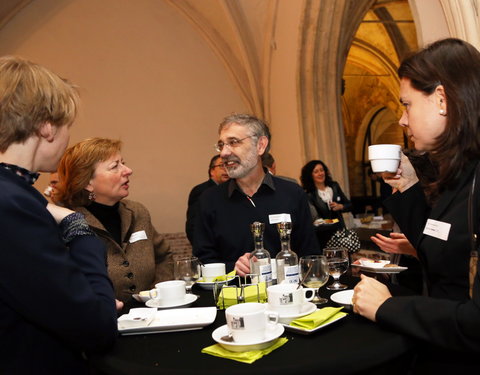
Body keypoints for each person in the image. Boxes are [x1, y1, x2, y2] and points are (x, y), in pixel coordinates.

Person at [353, 38, 480, 372]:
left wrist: (388, 307)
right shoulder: (460, 172)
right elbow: (439, 242)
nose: (402, 120)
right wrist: (407, 186)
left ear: (441, 99)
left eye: (407, 104)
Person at [0, 56, 117, 374]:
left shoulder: (20, 194)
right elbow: (95, 327)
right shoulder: (11, 204)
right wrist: (77, 227)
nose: (67, 139)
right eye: (68, 126)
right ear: (46, 126)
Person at [193, 113, 320, 274]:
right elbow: (202, 262)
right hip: (233, 295)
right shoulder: (209, 200)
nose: (224, 153)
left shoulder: (293, 194)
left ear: (260, 145)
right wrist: (234, 268)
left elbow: (310, 254)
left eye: (233, 142)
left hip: (287, 294)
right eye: (221, 145)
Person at [55, 138, 174, 306]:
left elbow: (163, 257)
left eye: (123, 163)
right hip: (101, 324)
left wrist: (157, 296)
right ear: (87, 182)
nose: (128, 170)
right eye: (114, 166)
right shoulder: (68, 223)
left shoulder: (137, 212)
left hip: (153, 317)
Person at [300, 160, 352, 248]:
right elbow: (316, 220)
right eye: (316, 171)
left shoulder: (334, 186)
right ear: (310, 175)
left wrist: (340, 206)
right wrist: (333, 221)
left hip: (341, 235)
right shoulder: (309, 194)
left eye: (322, 170)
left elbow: (349, 205)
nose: (320, 173)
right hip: (323, 237)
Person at [185, 154, 229, 244]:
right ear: (212, 171)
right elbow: (193, 227)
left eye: (228, 165)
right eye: (221, 165)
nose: (226, 169)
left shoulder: (232, 190)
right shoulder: (202, 191)